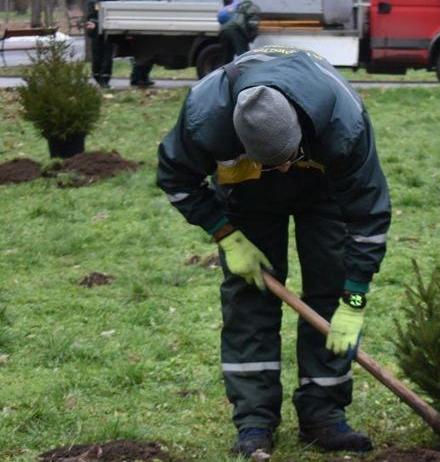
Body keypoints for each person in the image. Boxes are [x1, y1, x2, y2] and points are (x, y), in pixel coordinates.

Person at [156, 46, 391, 457]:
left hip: (324, 190)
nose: (281, 169)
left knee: (331, 289)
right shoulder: (204, 117)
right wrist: (226, 235)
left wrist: (354, 299)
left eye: (287, 159)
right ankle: (254, 422)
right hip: (246, 193)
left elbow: (367, 217)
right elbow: (175, 178)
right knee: (251, 298)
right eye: (271, 162)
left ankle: (323, 415)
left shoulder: (344, 122)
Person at [85, 0, 156, 88]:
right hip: (98, 30)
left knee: (106, 56)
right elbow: (91, 15)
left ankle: (104, 79)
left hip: (108, 30)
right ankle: (101, 78)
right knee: (99, 56)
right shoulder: (93, 3)